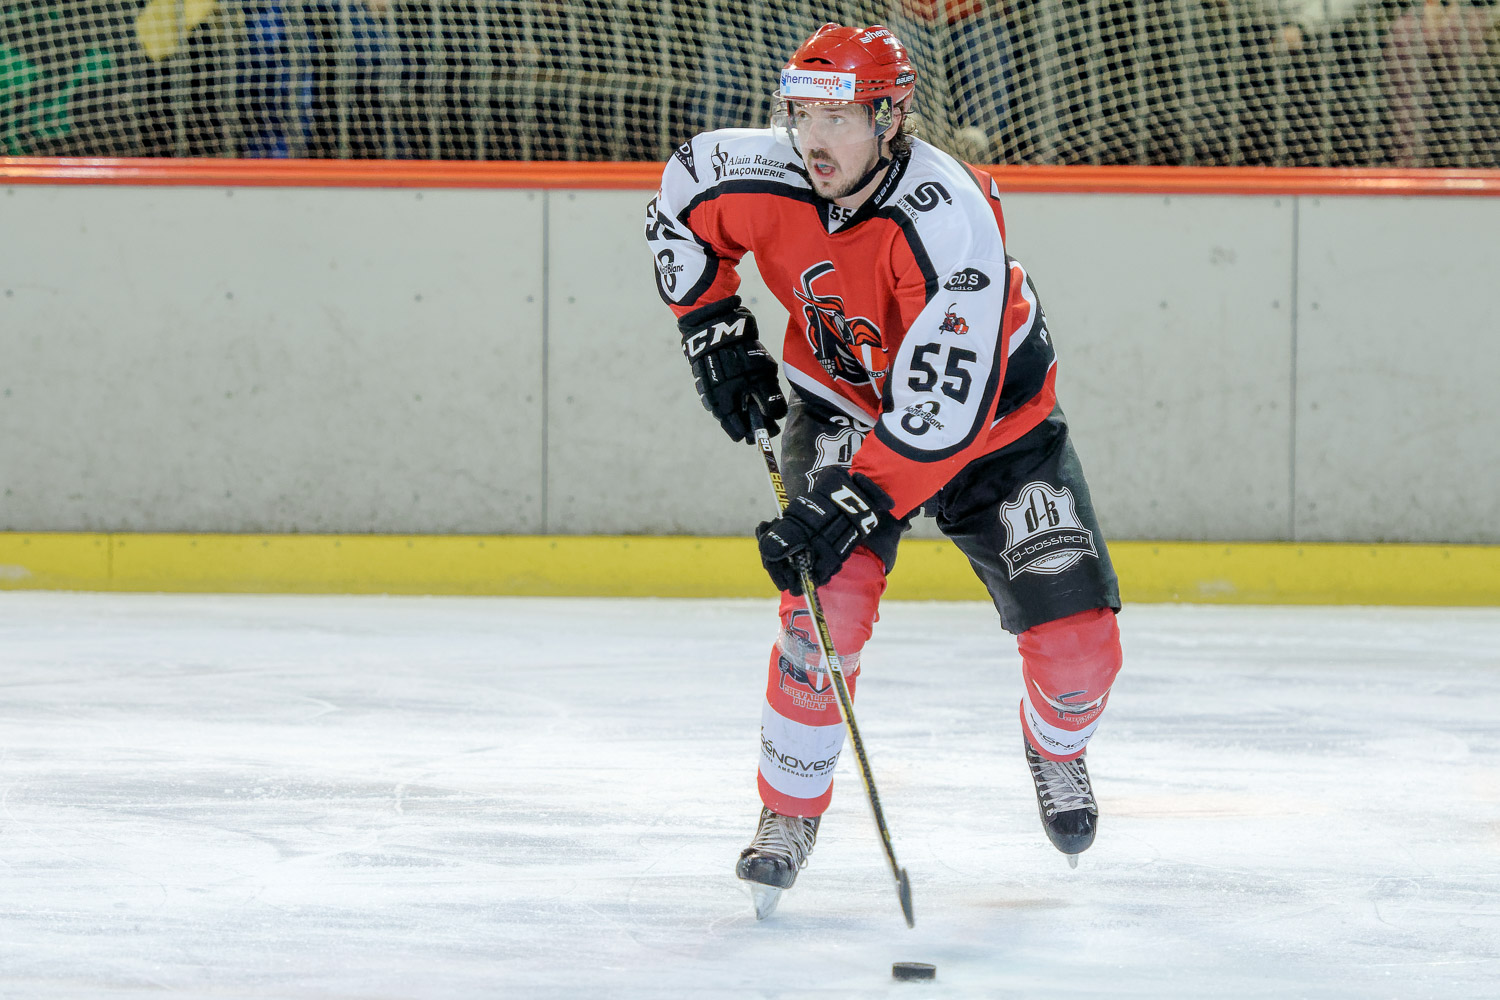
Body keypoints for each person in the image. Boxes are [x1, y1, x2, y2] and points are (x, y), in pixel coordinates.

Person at [644, 22, 1123, 919]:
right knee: (822, 610)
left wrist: (855, 503)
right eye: (801, 116)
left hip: (994, 429)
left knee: (1080, 648)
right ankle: (787, 811)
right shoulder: (751, 169)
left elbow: (943, 411)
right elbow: (679, 202)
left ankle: (1057, 745)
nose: (812, 140)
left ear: (889, 117)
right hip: (844, 406)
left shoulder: (950, 218)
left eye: (837, 119)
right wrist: (711, 328)